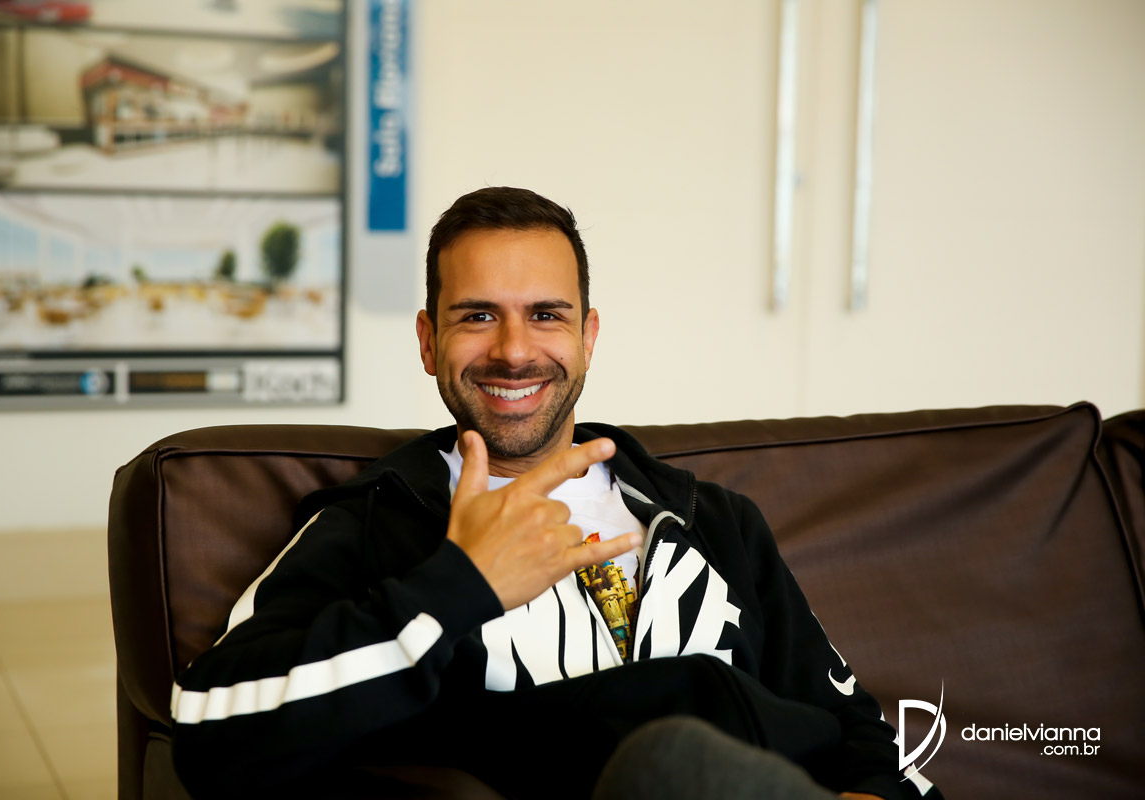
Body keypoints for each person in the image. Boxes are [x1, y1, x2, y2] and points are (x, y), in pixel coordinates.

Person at [170, 187, 942, 800]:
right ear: (428, 341)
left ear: (587, 337)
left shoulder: (714, 522)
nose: (513, 351)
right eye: (478, 316)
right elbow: (208, 728)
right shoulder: (374, 524)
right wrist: (458, 588)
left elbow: (859, 731)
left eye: (546, 315)